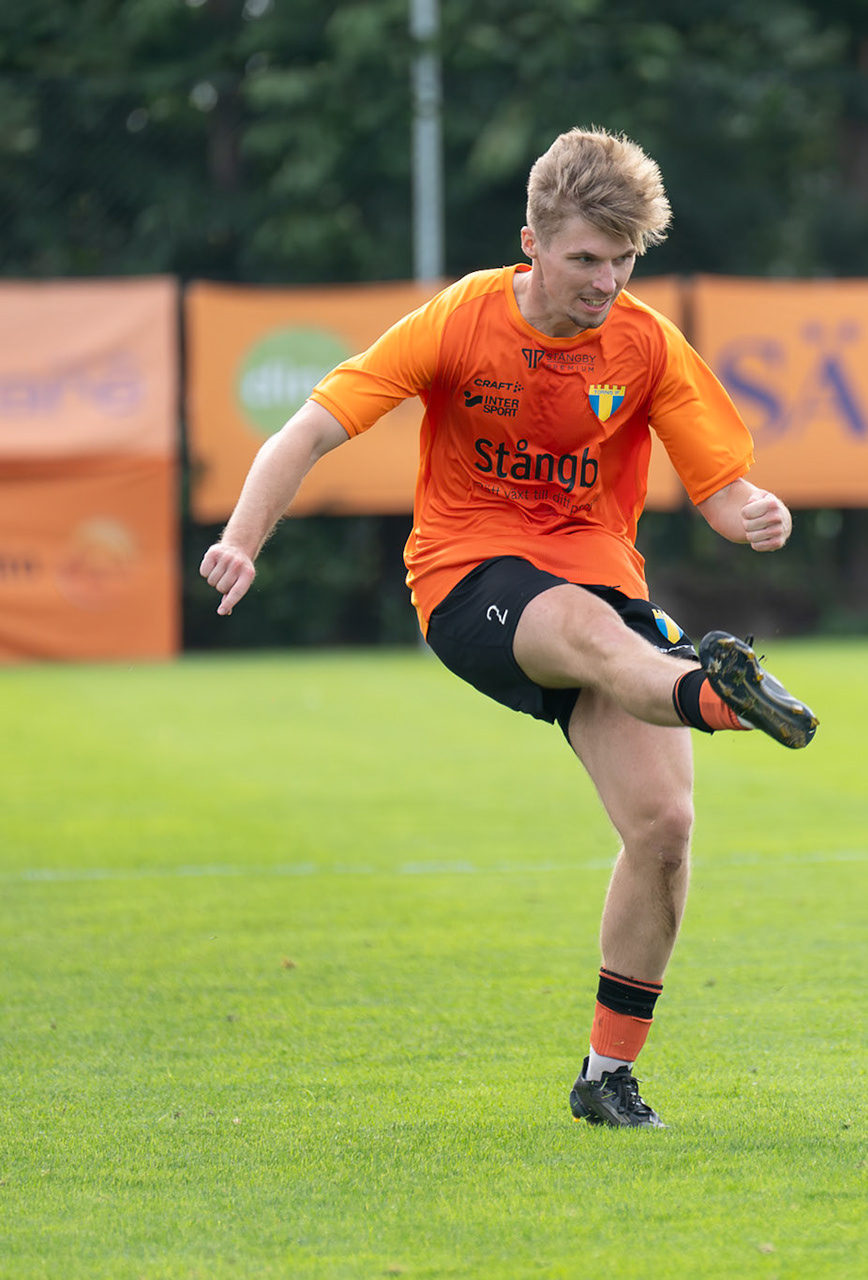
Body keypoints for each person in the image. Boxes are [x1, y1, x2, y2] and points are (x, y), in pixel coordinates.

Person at [199, 126, 818, 1130]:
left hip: (600, 587)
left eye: (623, 261)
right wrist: (241, 539)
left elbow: (721, 486)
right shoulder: (460, 322)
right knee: (581, 625)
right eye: (585, 258)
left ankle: (604, 1075)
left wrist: (754, 512)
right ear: (530, 239)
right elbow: (307, 429)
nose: (606, 281)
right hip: (468, 580)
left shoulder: (647, 344)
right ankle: (711, 691)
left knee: (663, 828)